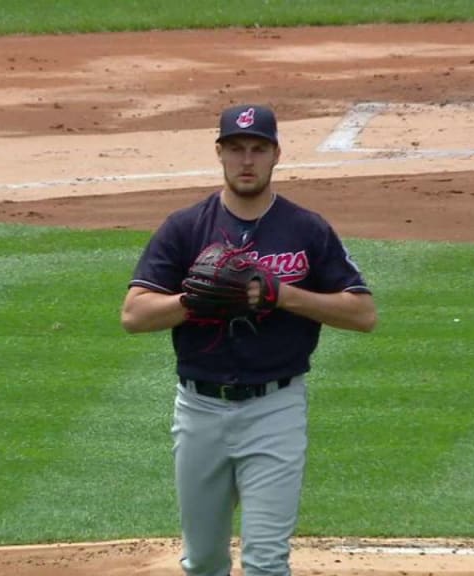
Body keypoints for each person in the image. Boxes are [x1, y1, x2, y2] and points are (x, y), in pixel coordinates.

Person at [120, 104, 377, 576]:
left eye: (258, 149)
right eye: (236, 149)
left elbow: (362, 313)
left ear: (276, 154)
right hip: (200, 409)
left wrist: (281, 294)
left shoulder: (306, 229)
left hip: (275, 409)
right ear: (219, 153)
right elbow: (134, 314)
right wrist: (193, 301)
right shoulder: (185, 228)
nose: (246, 160)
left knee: (265, 562)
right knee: (203, 563)